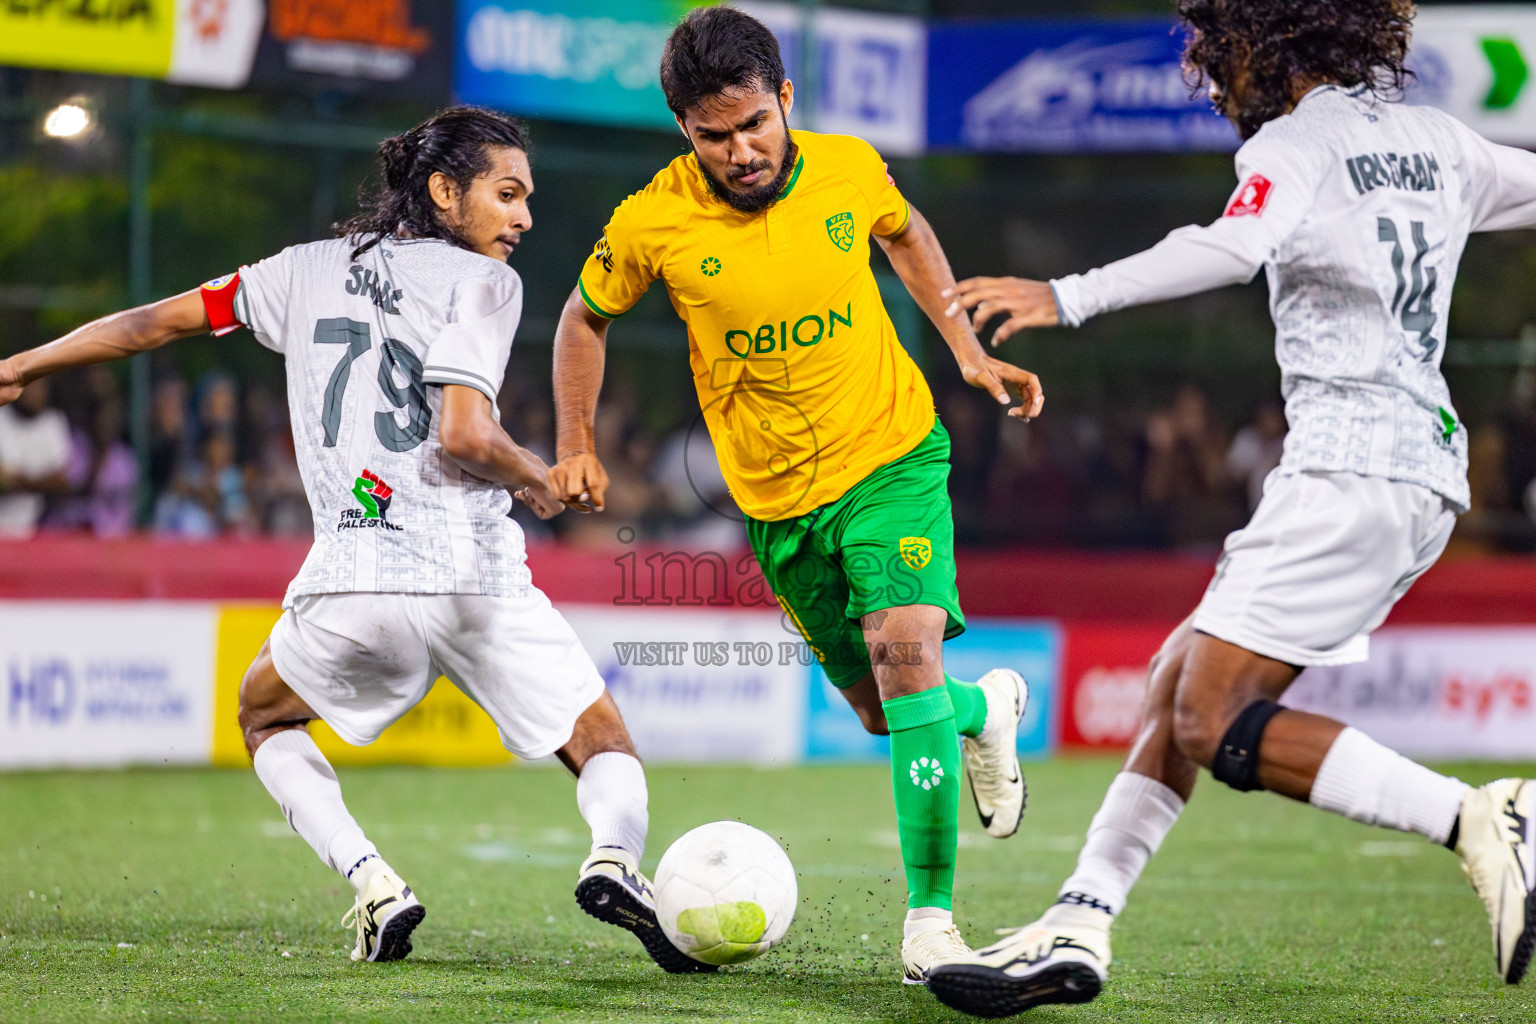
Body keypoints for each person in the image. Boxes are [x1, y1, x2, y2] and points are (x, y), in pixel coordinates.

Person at [932, 0, 1536, 1014]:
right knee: (1176, 683)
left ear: (1268, 41)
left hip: (1346, 470)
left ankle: (1484, 815)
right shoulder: (1442, 143)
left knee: (1210, 718)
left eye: (1219, 54)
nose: (1213, 78)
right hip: (1421, 468)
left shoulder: (1296, 144)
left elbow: (1230, 246)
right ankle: (1080, 920)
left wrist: (1067, 294)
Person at [0, 106, 700, 974]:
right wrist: (539, 473)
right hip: (475, 575)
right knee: (601, 742)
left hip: (357, 575)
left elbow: (153, 323)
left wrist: (24, 364)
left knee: (263, 715)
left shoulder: (298, 272)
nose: (523, 218)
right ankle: (612, 860)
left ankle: (373, 882)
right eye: (507, 194)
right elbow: (464, 436)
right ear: (446, 192)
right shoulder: (485, 282)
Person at [547, 6, 1044, 984]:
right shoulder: (651, 220)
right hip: (777, 505)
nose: (739, 153)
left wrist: (965, 349)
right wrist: (573, 443)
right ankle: (982, 708)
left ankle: (932, 922)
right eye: (712, 137)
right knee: (880, 709)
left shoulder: (851, 167)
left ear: (784, 99)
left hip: (892, 458)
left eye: (753, 126)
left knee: (902, 651)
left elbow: (908, 232)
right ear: (684, 131)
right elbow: (581, 318)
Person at [0, 378, 72, 537]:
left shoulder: (53, 422)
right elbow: (4, 482)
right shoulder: (2, 417)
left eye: (40, 387)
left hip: (41, 528)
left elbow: (62, 481)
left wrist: (22, 482)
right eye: (30, 387)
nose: (35, 393)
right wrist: (41, 480)